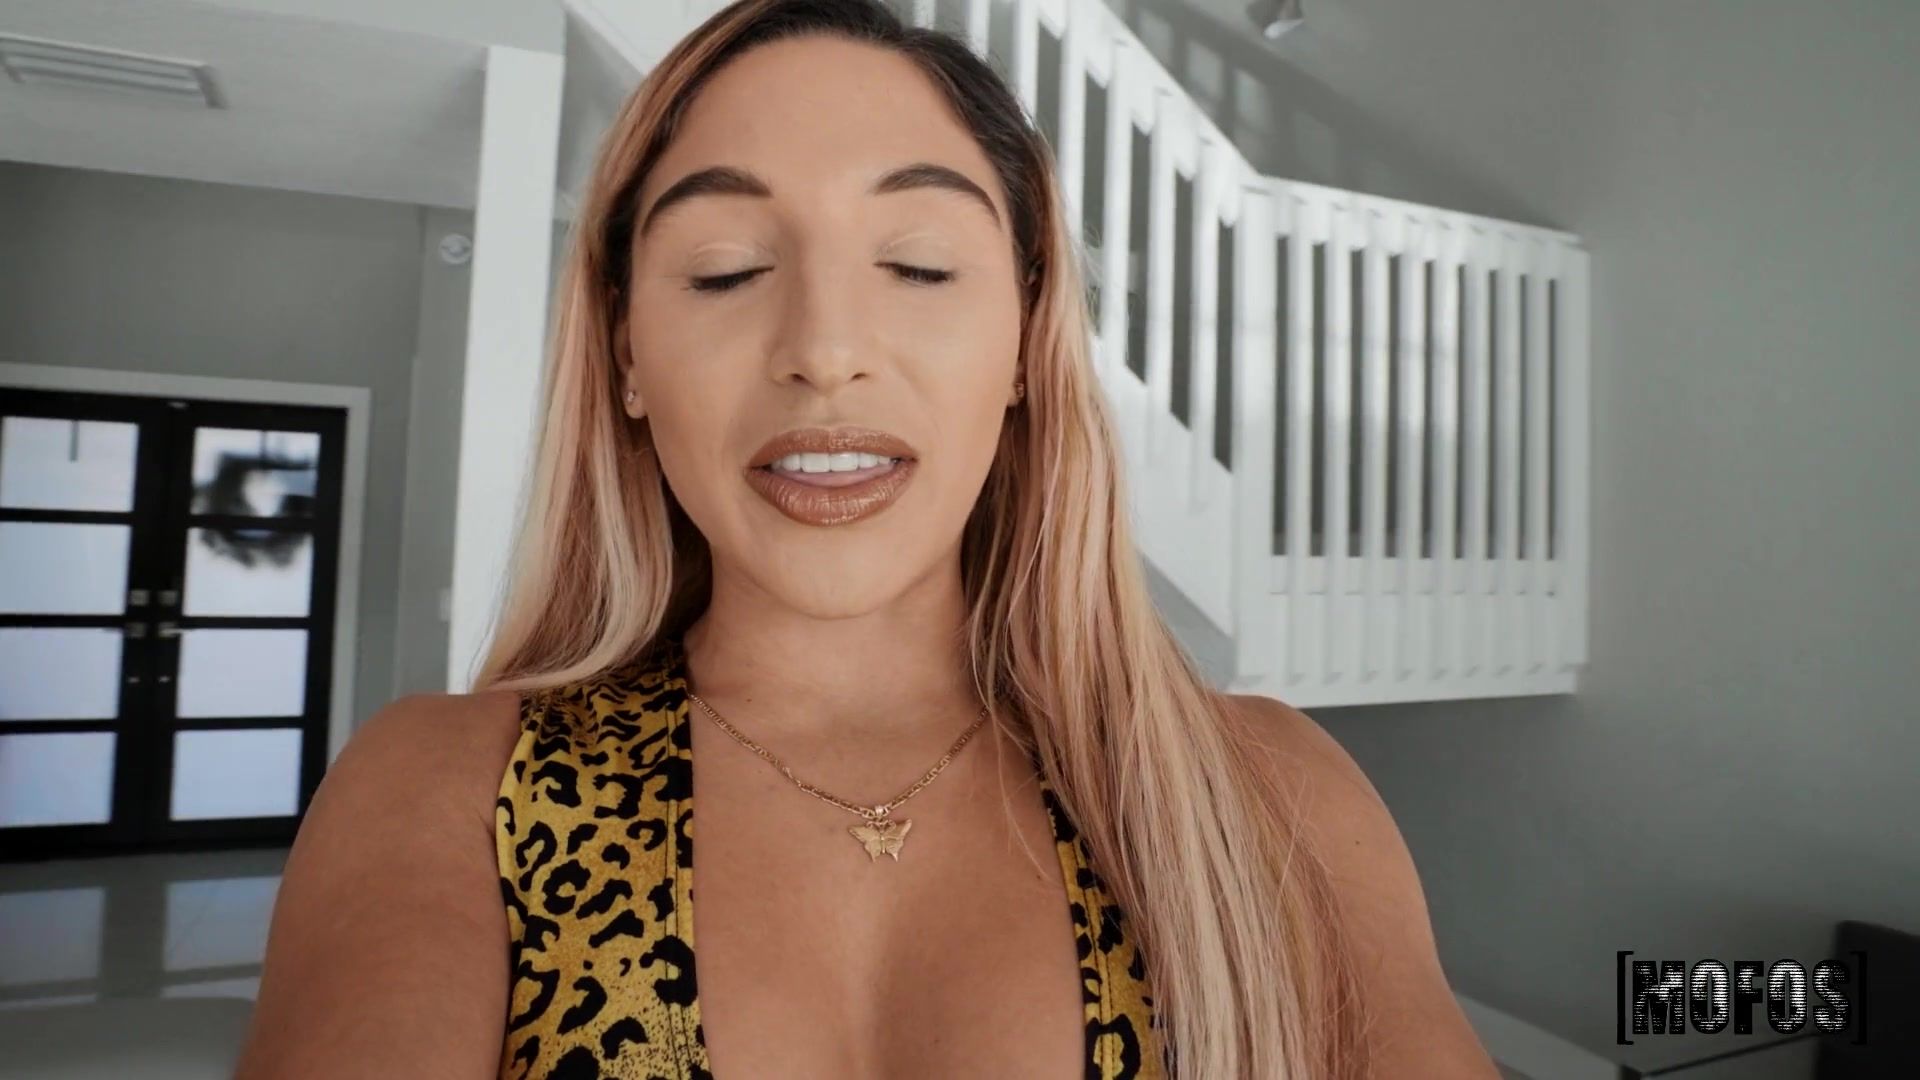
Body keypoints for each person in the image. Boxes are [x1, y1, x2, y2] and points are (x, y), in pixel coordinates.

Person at [234, 1, 1499, 1076]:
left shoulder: (1266, 797)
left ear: (1025, 338)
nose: (825, 350)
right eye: (727, 270)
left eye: (920, 265)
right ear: (627, 353)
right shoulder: (449, 793)